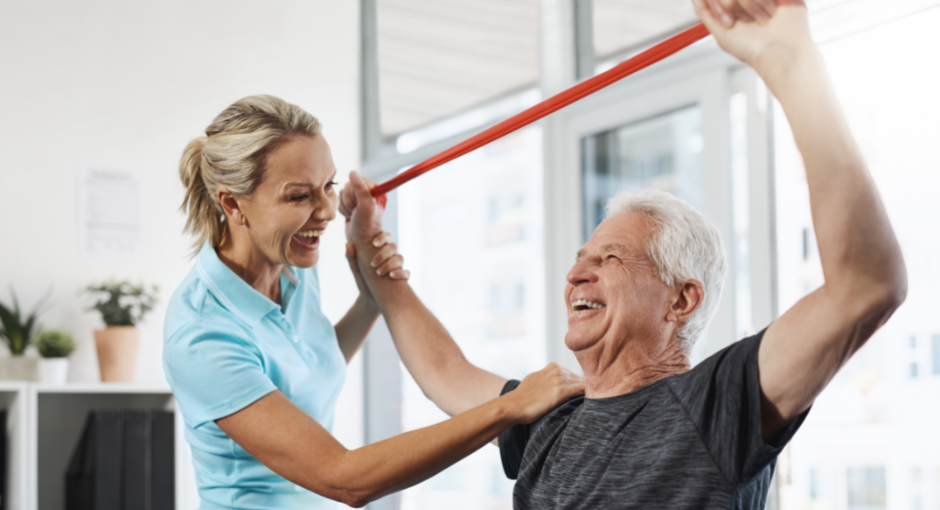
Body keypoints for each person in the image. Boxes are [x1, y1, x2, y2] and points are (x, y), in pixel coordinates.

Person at [338, 1, 908, 508]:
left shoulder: (714, 403)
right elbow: (445, 373)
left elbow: (866, 285)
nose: (575, 274)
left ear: (681, 299)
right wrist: (370, 246)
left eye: (610, 259)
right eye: (581, 257)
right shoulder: (547, 413)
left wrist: (792, 62)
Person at [162, 95, 584, 510]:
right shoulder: (201, 333)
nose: (326, 211)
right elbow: (344, 478)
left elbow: (305, 368)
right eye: (299, 196)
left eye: (328, 186)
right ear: (233, 204)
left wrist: (369, 297)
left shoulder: (292, 265)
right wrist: (509, 407)